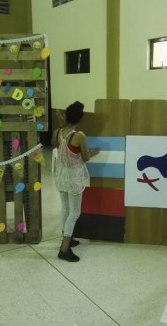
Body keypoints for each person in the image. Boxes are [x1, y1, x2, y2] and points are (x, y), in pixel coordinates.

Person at [52, 101, 99, 262]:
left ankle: (67, 238)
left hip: (61, 175)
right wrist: (93, 152)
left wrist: (61, 123)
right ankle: (64, 250)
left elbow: (58, 148)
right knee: (74, 212)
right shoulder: (79, 136)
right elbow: (84, 158)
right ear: (79, 119)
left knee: (65, 209)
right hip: (74, 177)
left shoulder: (57, 132)